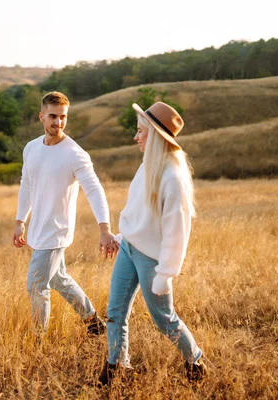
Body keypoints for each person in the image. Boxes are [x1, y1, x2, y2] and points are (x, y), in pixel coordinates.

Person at [98, 101, 206, 385]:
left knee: (163, 319)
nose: (135, 137)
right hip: (129, 249)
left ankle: (194, 359)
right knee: (115, 312)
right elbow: (137, 211)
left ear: (156, 136)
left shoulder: (173, 177)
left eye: (140, 132)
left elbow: (177, 233)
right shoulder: (148, 165)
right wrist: (123, 237)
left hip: (152, 261)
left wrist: (165, 275)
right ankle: (115, 367)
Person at [13, 91, 119, 337]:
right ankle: (93, 322)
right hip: (38, 227)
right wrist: (20, 220)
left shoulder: (75, 154)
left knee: (36, 285)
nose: (58, 123)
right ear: (41, 116)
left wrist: (104, 228)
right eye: (53, 116)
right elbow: (26, 185)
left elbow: (94, 189)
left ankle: (37, 341)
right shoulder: (30, 149)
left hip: (57, 230)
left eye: (63, 117)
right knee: (59, 278)